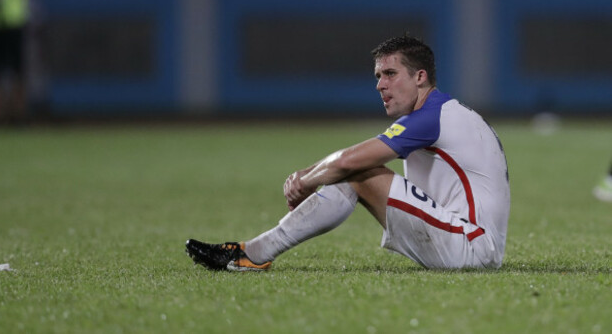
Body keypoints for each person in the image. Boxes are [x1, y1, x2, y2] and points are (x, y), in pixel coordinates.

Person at [186, 35, 510, 271]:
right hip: (472, 243)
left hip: (471, 246)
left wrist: (306, 181)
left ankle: (253, 254)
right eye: (378, 77)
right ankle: (254, 252)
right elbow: (351, 158)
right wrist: (310, 174)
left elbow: (349, 161)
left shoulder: (431, 117)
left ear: (420, 77)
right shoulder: (443, 113)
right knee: (354, 170)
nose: (380, 85)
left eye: (390, 74)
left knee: (357, 172)